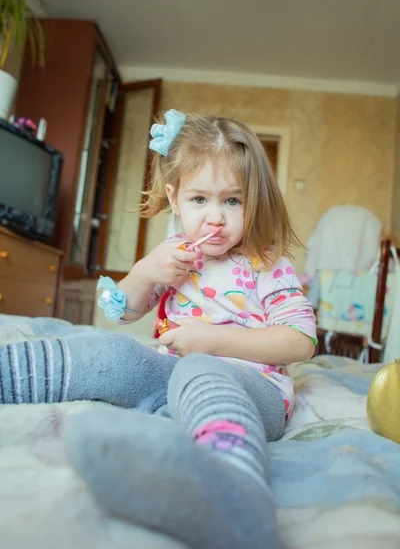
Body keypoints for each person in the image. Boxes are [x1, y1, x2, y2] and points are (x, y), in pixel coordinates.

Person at [0, 110, 317, 549]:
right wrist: (148, 271)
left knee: (199, 369)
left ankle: (235, 494)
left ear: (255, 200)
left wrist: (210, 342)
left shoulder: (268, 265)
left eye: (233, 201)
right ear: (174, 196)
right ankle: (9, 374)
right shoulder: (175, 254)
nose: (215, 219)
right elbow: (123, 312)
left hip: (253, 391)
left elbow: (300, 341)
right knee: (117, 353)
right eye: (199, 200)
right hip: (174, 377)